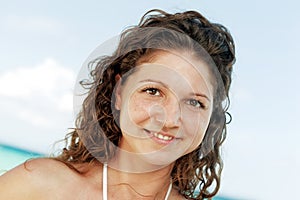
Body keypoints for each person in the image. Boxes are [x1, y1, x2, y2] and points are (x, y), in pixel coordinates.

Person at [0, 9, 235, 200]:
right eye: (153, 91)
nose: (170, 120)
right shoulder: (39, 186)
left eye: (194, 102)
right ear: (119, 93)